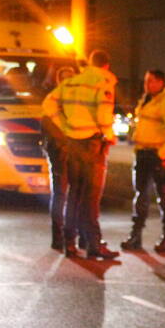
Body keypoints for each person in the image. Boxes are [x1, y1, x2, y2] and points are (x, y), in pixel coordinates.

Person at [45, 49, 119, 259]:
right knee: (91, 198)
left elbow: (48, 104)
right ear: (106, 65)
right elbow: (104, 113)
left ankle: (70, 242)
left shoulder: (73, 82)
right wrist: (108, 135)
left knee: (74, 195)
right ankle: (94, 245)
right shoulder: (103, 81)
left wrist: (65, 126)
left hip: (73, 144)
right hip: (92, 145)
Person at [121, 69, 165, 253]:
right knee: (141, 195)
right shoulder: (146, 100)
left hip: (158, 155)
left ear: (161, 83)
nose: (147, 84)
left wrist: (163, 153)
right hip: (143, 153)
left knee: (164, 197)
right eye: (146, 81)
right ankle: (135, 236)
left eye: (151, 81)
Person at [39, 64, 77, 250]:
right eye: (65, 77)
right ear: (58, 80)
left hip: (73, 151)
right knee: (61, 194)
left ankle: (71, 236)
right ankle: (59, 236)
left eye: (71, 76)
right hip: (60, 151)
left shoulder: (75, 99)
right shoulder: (54, 99)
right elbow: (48, 125)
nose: (68, 80)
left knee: (73, 194)